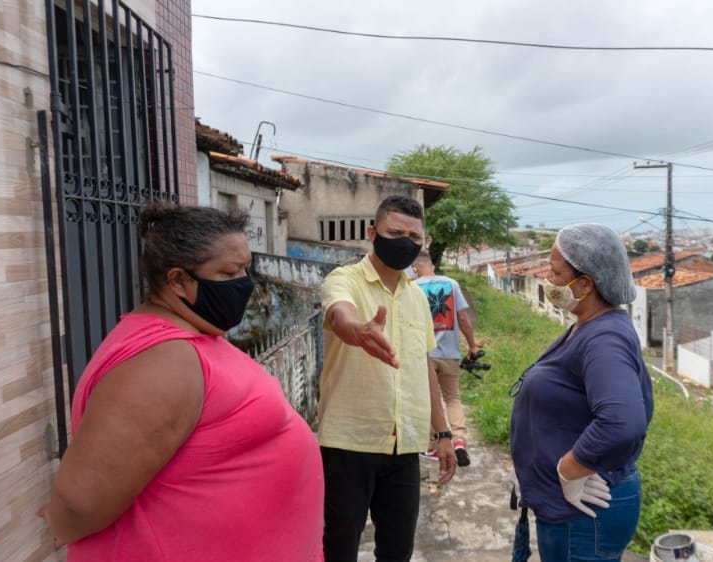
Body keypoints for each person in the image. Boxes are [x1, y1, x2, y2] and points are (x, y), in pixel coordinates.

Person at [37, 202, 324, 561]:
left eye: (246, 269)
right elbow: (79, 505)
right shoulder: (159, 362)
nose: (245, 284)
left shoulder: (197, 335)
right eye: (230, 272)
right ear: (177, 280)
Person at [318, 195, 457, 562]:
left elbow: (422, 364)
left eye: (414, 237)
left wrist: (443, 434)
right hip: (350, 442)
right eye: (395, 232)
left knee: (398, 548)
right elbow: (339, 313)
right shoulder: (343, 279)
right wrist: (357, 331)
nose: (405, 242)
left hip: (405, 445)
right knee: (339, 544)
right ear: (372, 232)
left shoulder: (416, 297)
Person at [509, 223, 654, 562]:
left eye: (555, 271)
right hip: (569, 510)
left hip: (582, 515)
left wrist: (568, 470)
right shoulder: (587, 326)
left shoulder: (605, 339)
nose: (548, 278)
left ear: (586, 284)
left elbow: (622, 422)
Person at [412, 250, 478, 467]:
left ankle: (432, 445)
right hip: (450, 352)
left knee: (428, 397)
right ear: (431, 264)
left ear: (414, 268)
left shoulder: (412, 288)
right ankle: (459, 440)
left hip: (424, 354)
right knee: (452, 398)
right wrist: (472, 344)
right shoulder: (451, 284)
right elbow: (462, 317)